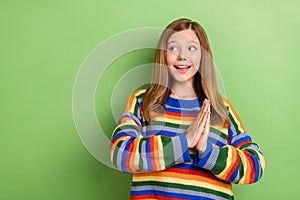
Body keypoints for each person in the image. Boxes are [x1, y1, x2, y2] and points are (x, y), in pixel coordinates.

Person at [110, 18, 266, 200]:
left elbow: (255, 165)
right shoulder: (144, 101)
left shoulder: (221, 108)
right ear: (163, 55)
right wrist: (184, 141)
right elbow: (120, 153)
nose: (182, 56)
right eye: (173, 48)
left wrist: (207, 150)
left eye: (191, 48)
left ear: (203, 56)